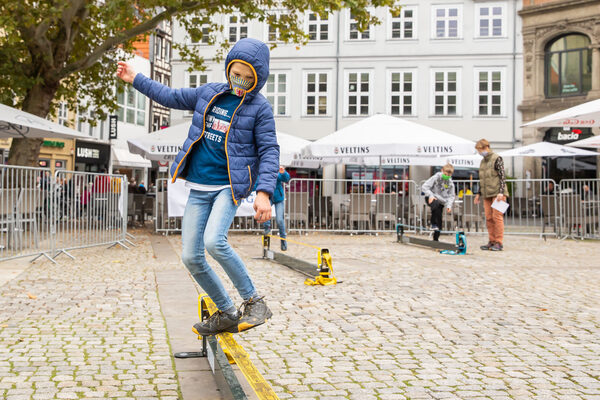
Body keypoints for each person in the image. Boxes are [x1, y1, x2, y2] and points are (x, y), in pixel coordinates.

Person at [117, 38, 279, 336]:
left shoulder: (259, 108)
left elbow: (269, 150)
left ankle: (255, 302)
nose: (240, 81)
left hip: (228, 186)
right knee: (191, 256)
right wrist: (135, 78)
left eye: (247, 77)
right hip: (199, 187)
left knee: (214, 242)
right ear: (228, 68)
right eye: (236, 73)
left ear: (258, 78)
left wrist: (264, 193)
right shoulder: (209, 93)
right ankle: (227, 312)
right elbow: (169, 95)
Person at [474, 139, 506, 251]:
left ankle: (499, 242)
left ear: (486, 147)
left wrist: (501, 192)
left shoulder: (497, 158)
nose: (479, 152)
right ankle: (491, 241)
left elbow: (502, 176)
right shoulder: (483, 161)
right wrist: (478, 193)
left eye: (480, 150)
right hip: (487, 193)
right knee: (488, 217)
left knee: (497, 217)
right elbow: (481, 179)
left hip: (497, 193)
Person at [421, 164, 456, 241]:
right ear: (442, 171)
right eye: (445, 174)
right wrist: (430, 195)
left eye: (448, 175)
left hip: (441, 201)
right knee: (435, 204)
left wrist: (449, 205)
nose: (446, 176)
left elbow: (451, 196)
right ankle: (433, 224)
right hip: (430, 197)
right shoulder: (436, 177)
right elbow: (424, 187)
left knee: (439, 219)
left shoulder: (450, 183)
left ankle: (436, 238)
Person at [262, 166, 290, 251]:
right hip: (268, 197)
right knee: (264, 212)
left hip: (279, 199)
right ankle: (267, 229)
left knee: (279, 220)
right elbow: (258, 182)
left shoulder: (277, 171)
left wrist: (283, 172)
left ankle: (283, 241)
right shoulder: (264, 171)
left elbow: (286, 179)